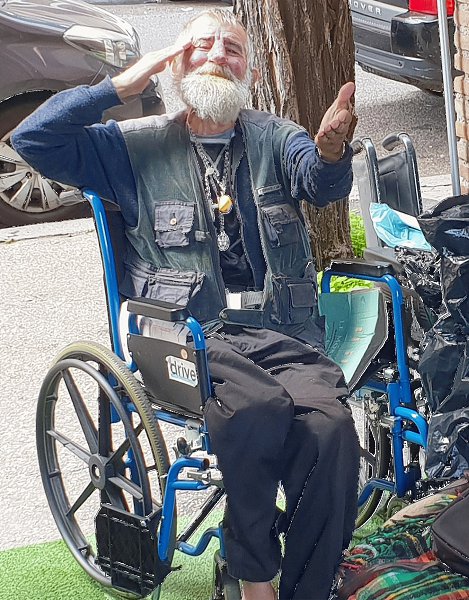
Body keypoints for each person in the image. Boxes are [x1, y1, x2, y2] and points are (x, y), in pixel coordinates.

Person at [12, 9, 360, 600]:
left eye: (232, 48)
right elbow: (32, 140)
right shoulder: (131, 146)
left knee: (330, 427)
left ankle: (310, 587)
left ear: (250, 71)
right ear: (176, 64)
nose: (218, 54)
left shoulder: (276, 137)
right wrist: (121, 85)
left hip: (281, 332)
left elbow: (320, 184)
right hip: (185, 335)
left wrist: (330, 153)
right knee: (256, 409)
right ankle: (255, 577)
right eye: (201, 45)